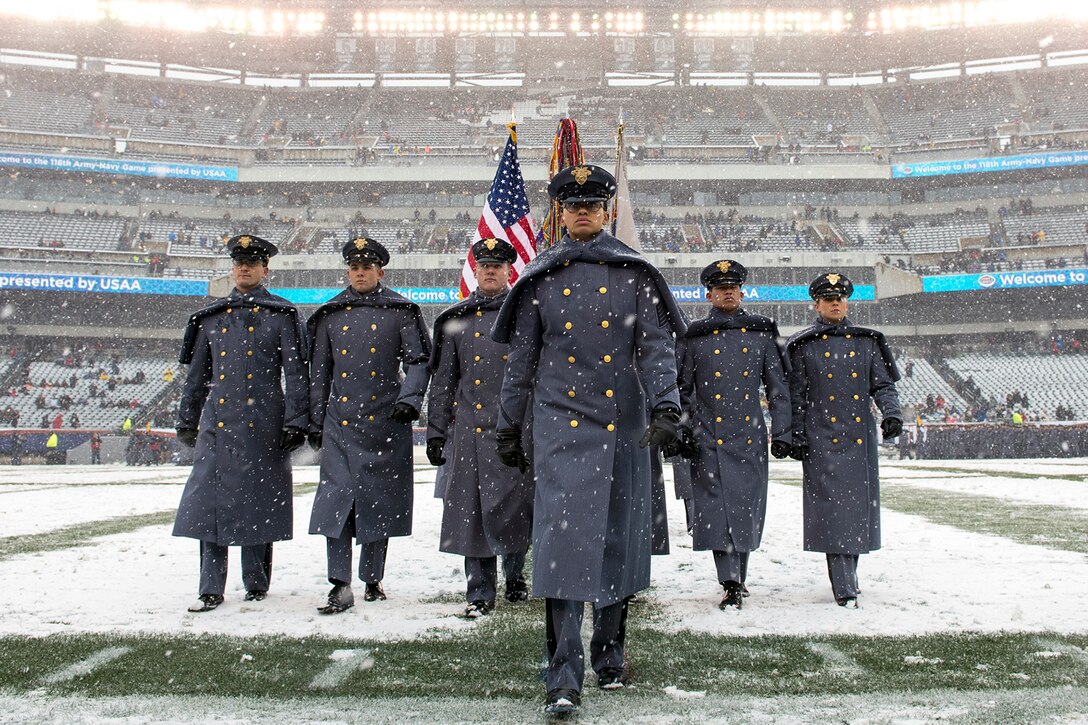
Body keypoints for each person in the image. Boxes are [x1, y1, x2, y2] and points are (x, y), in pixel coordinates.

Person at [492, 164, 685, 714]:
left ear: (606, 211)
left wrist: (667, 405)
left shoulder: (635, 275)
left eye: (593, 203)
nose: (582, 211)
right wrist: (509, 424)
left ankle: (610, 655)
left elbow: (654, 349)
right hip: (561, 430)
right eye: (572, 203)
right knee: (562, 547)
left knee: (618, 543)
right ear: (560, 211)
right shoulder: (539, 278)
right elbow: (521, 362)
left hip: (624, 428)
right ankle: (563, 676)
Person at [173, 234, 309, 613]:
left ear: (266, 269)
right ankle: (210, 587)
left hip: (267, 422)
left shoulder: (282, 315)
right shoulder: (210, 318)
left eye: (253, 262)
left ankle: (256, 583)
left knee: (260, 502)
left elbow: (297, 375)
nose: (245, 267)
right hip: (219, 424)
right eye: (239, 262)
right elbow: (197, 376)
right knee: (209, 508)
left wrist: (296, 421)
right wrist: (188, 418)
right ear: (233, 268)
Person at [307, 237, 430, 613]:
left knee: (378, 503)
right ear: (348, 270)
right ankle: (339, 582)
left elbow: (419, 360)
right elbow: (319, 374)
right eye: (354, 267)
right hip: (340, 423)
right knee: (337, 501)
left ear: (380, 271)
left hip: (385, 421)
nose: (360, 273)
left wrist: (409, 401)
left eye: (367, 267)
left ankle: (372, 579)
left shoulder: (401, 311)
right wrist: (314, 421)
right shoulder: (330, 314)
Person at [672, 260, 791, 610]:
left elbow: (778, 388)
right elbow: (683, 388)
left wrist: (782, 431)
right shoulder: (694, 336)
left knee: (744, 508)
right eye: (720, 287)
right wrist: (683, 430)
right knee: (716, 511)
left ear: (742, 291)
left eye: (733, 287)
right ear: (708, 294)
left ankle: (739, 577)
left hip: (748, 436)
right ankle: (730, 580)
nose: (728, 292)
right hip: (707, 436)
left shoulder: (761, 333)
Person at [426, 237, 533, 618]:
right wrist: (436, 431)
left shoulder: (523, 315)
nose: (490, 271)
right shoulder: (458, 320)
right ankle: (479, 590)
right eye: (484, 265)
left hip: (516, 431)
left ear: (509, 271)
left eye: (497, 266)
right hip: (470, 432)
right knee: (472, 515)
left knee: (516, 509)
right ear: (475, 270)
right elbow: (443, 382)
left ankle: (516, 576)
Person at [785, 272, 902, 608]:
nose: (835, 303)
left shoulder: (867, 341)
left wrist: (892, 413)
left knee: (854, 511)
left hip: (858, 438)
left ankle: (848, 575)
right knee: (833, 511)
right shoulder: (804, 345)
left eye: (840, 298)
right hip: (820, 438)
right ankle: (845, 584)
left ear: (847, 302)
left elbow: (883, 385)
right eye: (828, 299)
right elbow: (796, 397)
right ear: (817, 304)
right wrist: (794, 435)